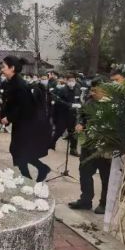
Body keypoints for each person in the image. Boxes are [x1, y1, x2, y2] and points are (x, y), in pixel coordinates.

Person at [0, 56, 51, 181]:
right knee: (19, 151)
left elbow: (23, 106)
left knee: (19, 151)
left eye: (3, 67)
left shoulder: (19, 84)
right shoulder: (11, 82)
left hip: (28, 124)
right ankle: (37, 171)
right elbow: (10, 103)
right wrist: (1, 114)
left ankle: (29, 177)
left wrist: (9, 118)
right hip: (21, 123)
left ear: (12, 68)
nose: (1, 69)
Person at [68, 78, 111, 214]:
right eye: (91, 90)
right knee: (85, 172)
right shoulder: (89, 101)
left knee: (106, 177)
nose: (92, 93)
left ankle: (104, 203)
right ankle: (85, 200)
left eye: (95, 90)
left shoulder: (112, 105)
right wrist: (80, 123)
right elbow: (82, 115)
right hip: (88, 145)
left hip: (105, 147)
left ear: (104, 90)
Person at [51, 73, 82, 155]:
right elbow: (58, 101)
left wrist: (79, 104)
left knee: (74, 133)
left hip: (73, 114)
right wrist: (69, 105)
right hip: (63, 114)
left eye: (73, 80)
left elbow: (78, 99)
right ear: (66, 81)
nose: (72, 82)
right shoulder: (62, 90)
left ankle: (73, 149)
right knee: (59, 131)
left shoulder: (77, 89)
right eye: (70, 80)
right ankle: (52, 143)